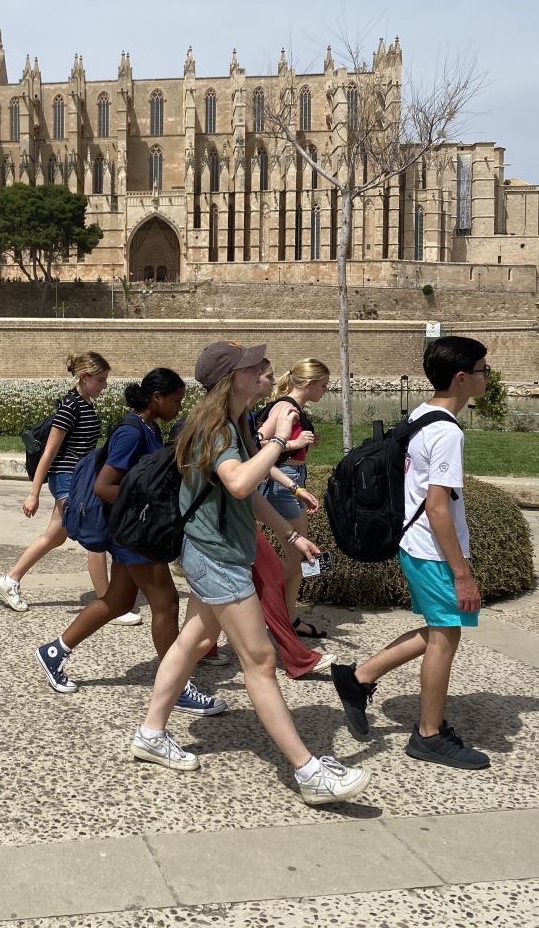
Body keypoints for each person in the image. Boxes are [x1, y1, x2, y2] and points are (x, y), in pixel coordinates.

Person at [130, 342, 370, 806]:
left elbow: (244, 492)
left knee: (193, 642)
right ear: (231, 378)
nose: (267, 370)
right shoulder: (217, 426)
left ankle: (150, 733)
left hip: (214, 550)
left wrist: (289, 534)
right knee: (260, 662)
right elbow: (240, 481)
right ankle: (308, 771)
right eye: (256, 367)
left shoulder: (234, 422)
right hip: (217, 556)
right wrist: (279, 442)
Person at [331, 336, 490, 770]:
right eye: (483, 370)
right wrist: (462, 573)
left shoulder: (422, 415)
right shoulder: (446, 433)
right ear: (462, 378)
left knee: (442, 629)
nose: (487, 377)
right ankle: (428, 735)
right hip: (432, 549)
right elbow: (438, 507)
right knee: (445, 636)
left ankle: (358, 678)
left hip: (414, 541)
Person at [35, 368, 223, 716]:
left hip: (134, 529)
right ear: (157, 398)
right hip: (136, 531)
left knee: (118, 601)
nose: (178, 408)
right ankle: (177, 686)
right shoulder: (131, 432)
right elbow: (104, 486)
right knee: (165, 603)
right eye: (176, 400)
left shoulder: (149, 427)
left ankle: (54, 650)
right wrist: (149, 504)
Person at [0, 351, 138, 625]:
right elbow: (49, 453)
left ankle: (9, 580)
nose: (105, 385)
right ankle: (108, 603)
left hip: (79, 477)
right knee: (95, 534)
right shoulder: (71, 407)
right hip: (66, 479)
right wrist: (33, 493)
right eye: (101, 379)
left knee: (55, 536)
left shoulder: (85, 403)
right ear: (85, 378)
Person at [251, 358, 335, 679]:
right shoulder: (286, 408)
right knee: (296, 555)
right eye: (323, 385)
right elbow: (259, 443)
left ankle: (285, 614)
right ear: (309, 384)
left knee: (295, 556)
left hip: (290, 476)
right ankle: (281, 615)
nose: (325, 391)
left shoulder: (288, 407)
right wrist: (294, 444)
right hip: (285, 480)